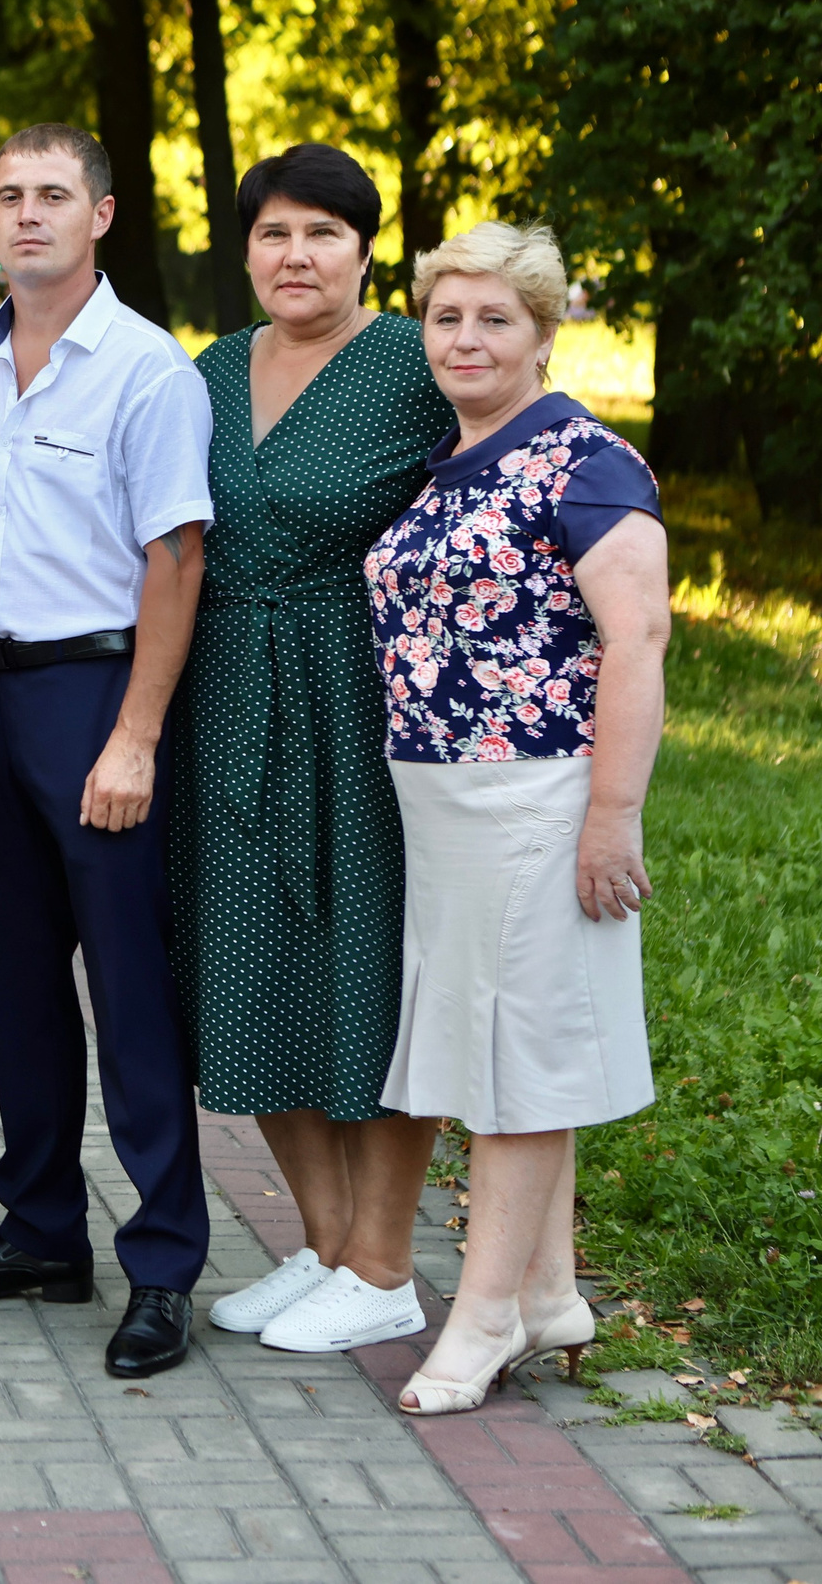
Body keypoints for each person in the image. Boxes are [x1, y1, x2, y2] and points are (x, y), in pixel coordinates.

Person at [0, 123, 212, 1380]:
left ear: (101, 215)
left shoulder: (147, 370)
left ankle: (164, 1264)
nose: (25, 214)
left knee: (129, 993)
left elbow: (176, 560)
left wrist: (135, 736)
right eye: (6, 196)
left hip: (94, 697)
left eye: (50, 195)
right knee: (17, 988)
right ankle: (39, 1232)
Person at [363, 221, 666, 1414]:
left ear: (542, 333)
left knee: (519, 1060)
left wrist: (612, 817)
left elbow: (637, 641)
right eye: (445, 317)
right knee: (499, 1046)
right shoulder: (447, 462)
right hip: (441, 803)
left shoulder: (586, 463)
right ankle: (546, 1296)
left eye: (494, 318)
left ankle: (482, 1319)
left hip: (539, 796)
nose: (466, 338)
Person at [171, 145, 456, 1354]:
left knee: (368, 974)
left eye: (322, 233)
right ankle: (330, 1247)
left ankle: (386, 1264)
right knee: (246, 965)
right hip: (226, 693)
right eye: (274, 233)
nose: (296, 256)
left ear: (365, 251)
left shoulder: (415, 363)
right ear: (245, 250)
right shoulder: (208, 372)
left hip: (365, 698)